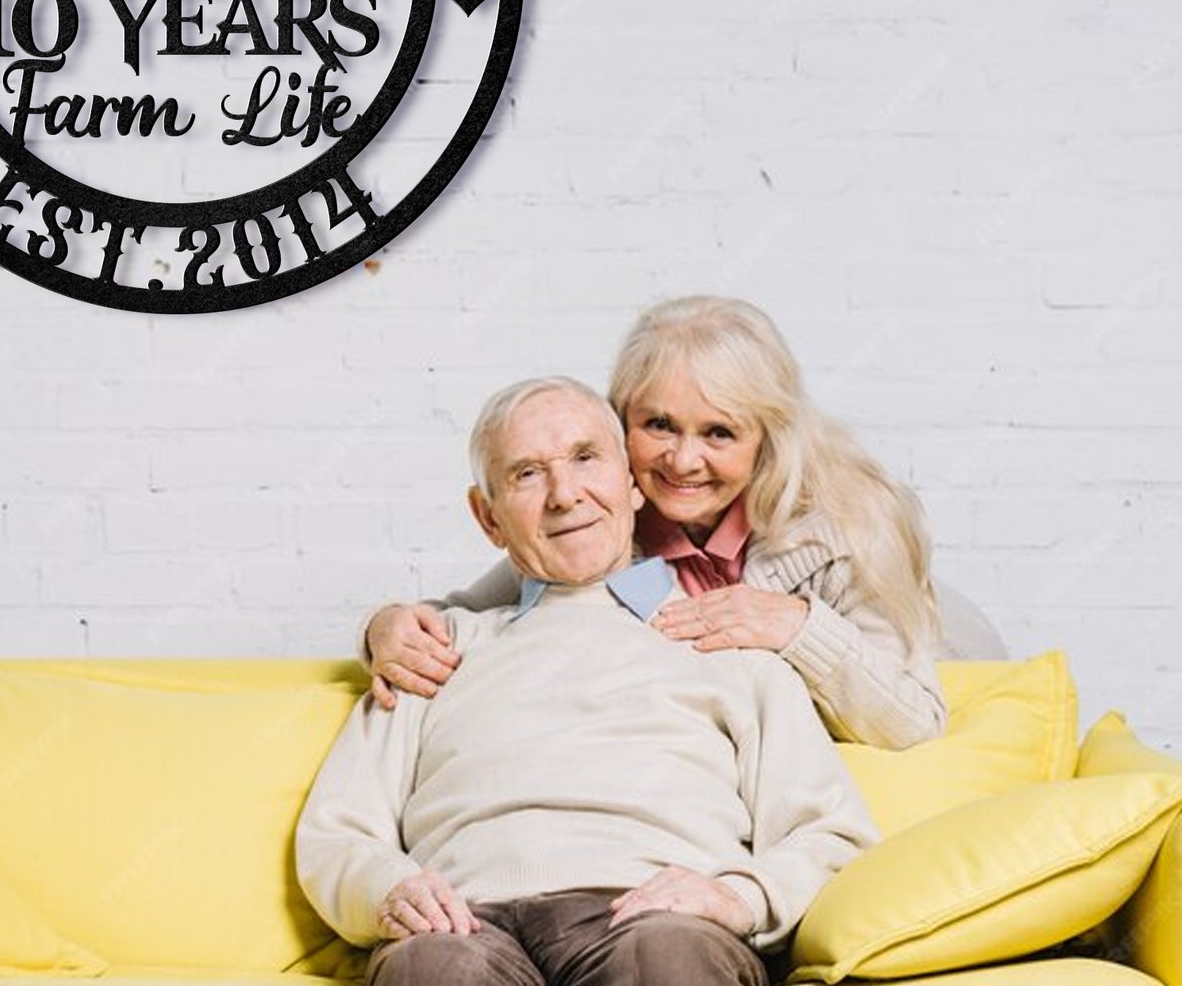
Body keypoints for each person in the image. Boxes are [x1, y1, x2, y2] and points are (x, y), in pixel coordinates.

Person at [298, 377, 876, 986]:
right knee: (433, 968)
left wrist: (741, 896)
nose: (564, 495)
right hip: (464, 923)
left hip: (654, 918)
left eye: (585, 458)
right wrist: (388, 888)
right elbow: (340, 830)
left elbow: (830, 832)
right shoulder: (431, 651)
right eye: (527, 474)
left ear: (632, 483)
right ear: (488, 517)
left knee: (666, 961)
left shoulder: (731, 645)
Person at [366, 297, 945, 748]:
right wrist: (383, 630)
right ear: (620, 423)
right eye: (659, 425)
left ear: (767, 439)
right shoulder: (604, 526)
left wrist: (795, 626)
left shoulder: (849, 526)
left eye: (719, 433)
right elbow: (462, 617)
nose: (683, 461)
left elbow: (916, 720)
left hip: (928, 622)